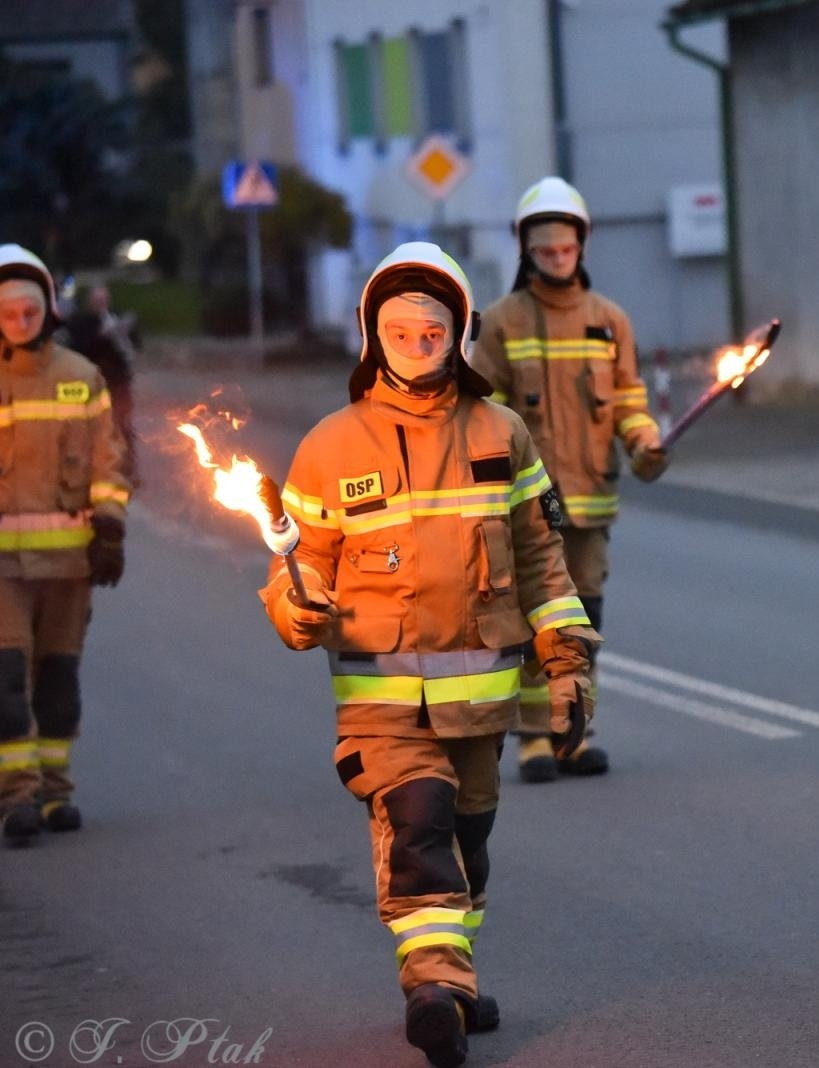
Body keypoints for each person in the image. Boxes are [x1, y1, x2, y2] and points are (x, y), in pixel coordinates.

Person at [259, 242, 599, 1066]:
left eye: (433, 331)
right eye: (401, 332)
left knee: (468, 842)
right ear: (374, 338)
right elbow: (296, 570)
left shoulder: (501, 432)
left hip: (481, 696)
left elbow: (542, 559)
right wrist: (296, 609)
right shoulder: (329, 448)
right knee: (420, 825)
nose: (418, 344)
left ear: (460, 334)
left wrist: (567, 657)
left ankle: (455, 975)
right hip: (381, 705)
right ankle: (433, 991)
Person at [471, 176, 668, 783]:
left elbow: (630, 399)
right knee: (536, 623)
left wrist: (645, 441)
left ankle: (573, 738)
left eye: (565, 249)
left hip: (591, 504)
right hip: (526, 509)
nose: (557, 259)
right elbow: (481, 416)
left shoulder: (610, 321)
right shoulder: (502, 322)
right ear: (526, 250)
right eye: (545, 250)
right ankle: (533, 738)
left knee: (582, 627)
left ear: (582, 245)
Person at [0, 244, 131, 846]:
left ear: (48, 310)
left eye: (29, 312)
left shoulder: (81, 379)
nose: (19, 323)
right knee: (7, 678)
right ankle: (17, 797)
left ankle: (56, 792)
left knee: (58, 680)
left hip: (69, 564)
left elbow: (109, 459)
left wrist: (109, 525)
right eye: (7, 313)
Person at [62, 284, 141, 484]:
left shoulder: (115, 317)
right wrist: (101, 336)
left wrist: (125, 333)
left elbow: (136, 347)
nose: (101, 304)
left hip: (118, 382)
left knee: (123, 425)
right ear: (90, 302)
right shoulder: (79, 322)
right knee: (88, 426)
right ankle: (87, 469)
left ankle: (128, 470)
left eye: (104, 300)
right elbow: (77, 350)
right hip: (91, 384)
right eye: (97, 301)